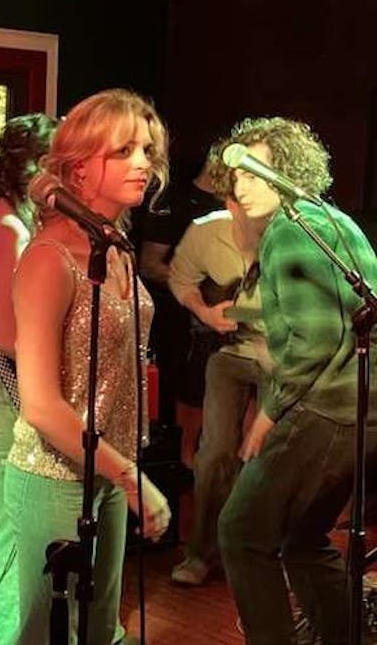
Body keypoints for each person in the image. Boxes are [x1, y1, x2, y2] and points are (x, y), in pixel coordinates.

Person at [0, 89, 172, 645]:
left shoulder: (114, 247)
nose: (143, 162)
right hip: (52, 475)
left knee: (100, 628)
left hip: (109, 464)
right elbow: (41, 405)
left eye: (146, 149)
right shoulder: (48, 258)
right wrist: (131, 477)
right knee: (46, 633)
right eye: (124, 151)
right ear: (79, 166)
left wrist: (122, 471)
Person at [217, 117, 377, 645]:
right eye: (235, 173)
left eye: (251, 170)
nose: (238, 183)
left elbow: (310, 347)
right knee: (305, 539)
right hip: (363, 412)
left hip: (328, 411)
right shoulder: (335, 221)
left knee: (240, 532)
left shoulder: (289, 230)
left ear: (284, 171)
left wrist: (267, 412)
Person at [167, 166, 271, 586]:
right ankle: (201, 554)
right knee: (213, 453)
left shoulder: (294, 235)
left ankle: (255, 552)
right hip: (228, 351)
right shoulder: (205, 232)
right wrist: (203, 311)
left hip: (282, 354)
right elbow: (180, 277)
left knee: (269, 453)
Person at [0, 113, 56, 506]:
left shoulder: (16, 219)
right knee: (17, 518)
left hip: (13, 386)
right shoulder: (9, 229)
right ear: (34, 166)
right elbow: (5, 336)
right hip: (8, 392)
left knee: (20, 515)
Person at [139, 148, 223, 466]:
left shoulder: (237, 208)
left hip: (225, 328)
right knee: (190, 399)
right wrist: (197, 290)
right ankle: (186, 466)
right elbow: (149, 264)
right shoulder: (174, 202)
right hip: (182, 323)